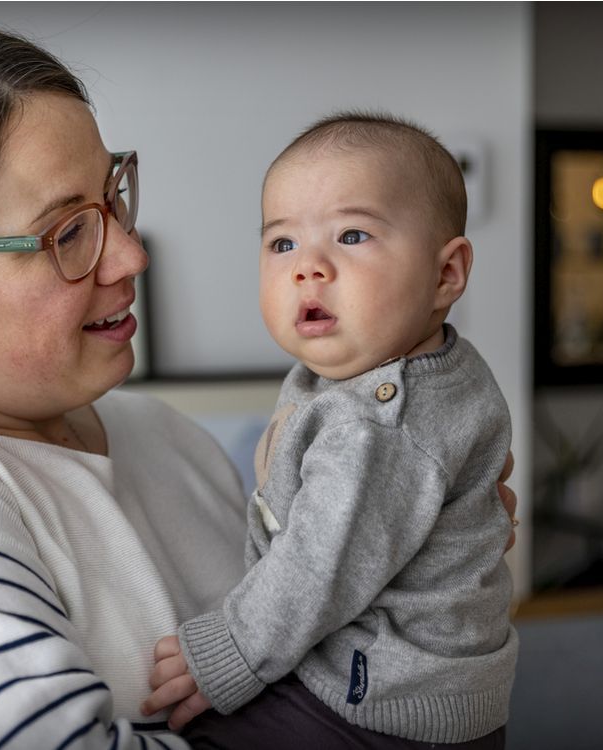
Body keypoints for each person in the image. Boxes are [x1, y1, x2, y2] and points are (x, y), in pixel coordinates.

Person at [0, 25, 517, 750]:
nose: (131, 255)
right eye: (68, 232)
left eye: (115, 196)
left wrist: (418, 554)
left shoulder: (160, 436)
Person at [142, 113, 519, 749]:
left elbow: (320, 564)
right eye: (282, 243)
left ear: (446, 274)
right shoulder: (376, 375)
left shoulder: (379, 420)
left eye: (351, 234)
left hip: (377, 705)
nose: (308, 267)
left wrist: (229, 651)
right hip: (398, 684)